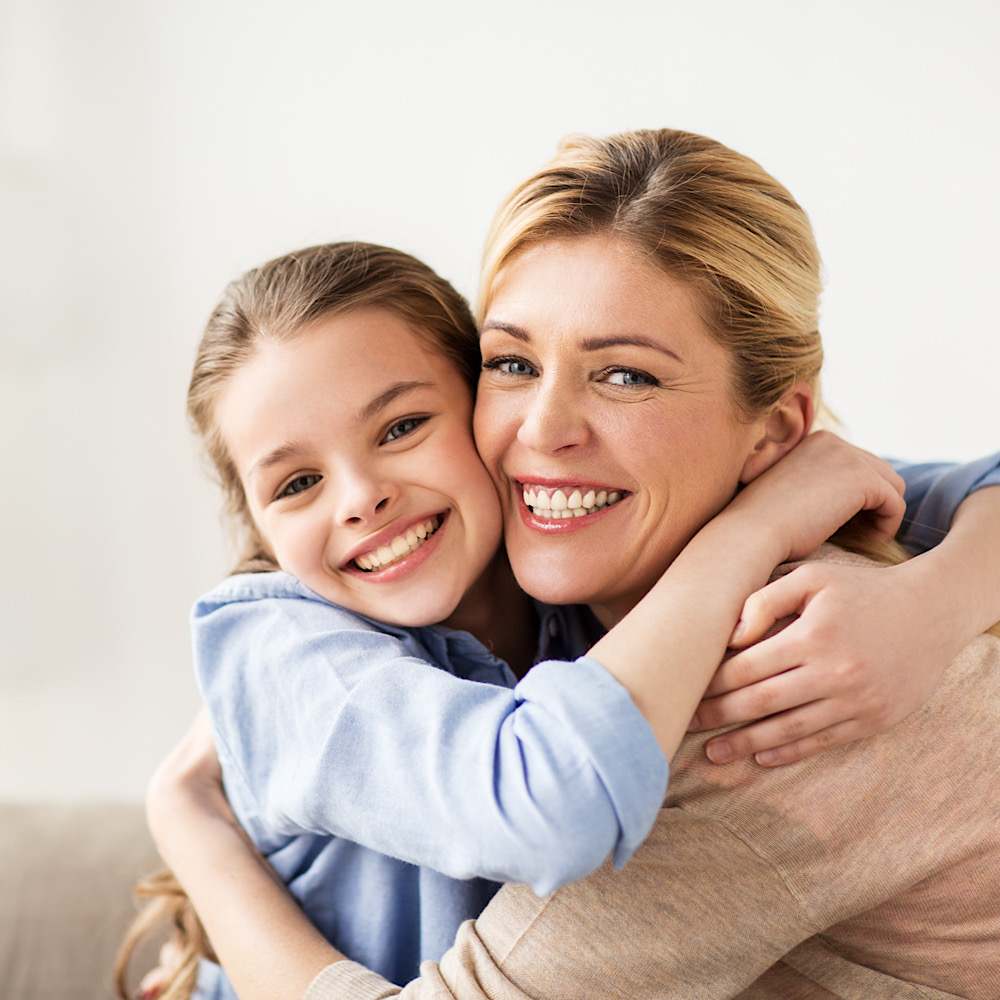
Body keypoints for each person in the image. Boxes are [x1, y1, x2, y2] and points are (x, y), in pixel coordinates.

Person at [145, 128, 1000, 998]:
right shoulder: (311, 635)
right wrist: (191, 825)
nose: (543, 433)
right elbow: (545, 793)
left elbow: (903, 485)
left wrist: (939, 596)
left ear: (777, 433)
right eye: (514, 363)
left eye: (626, 376)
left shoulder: (781, 680)